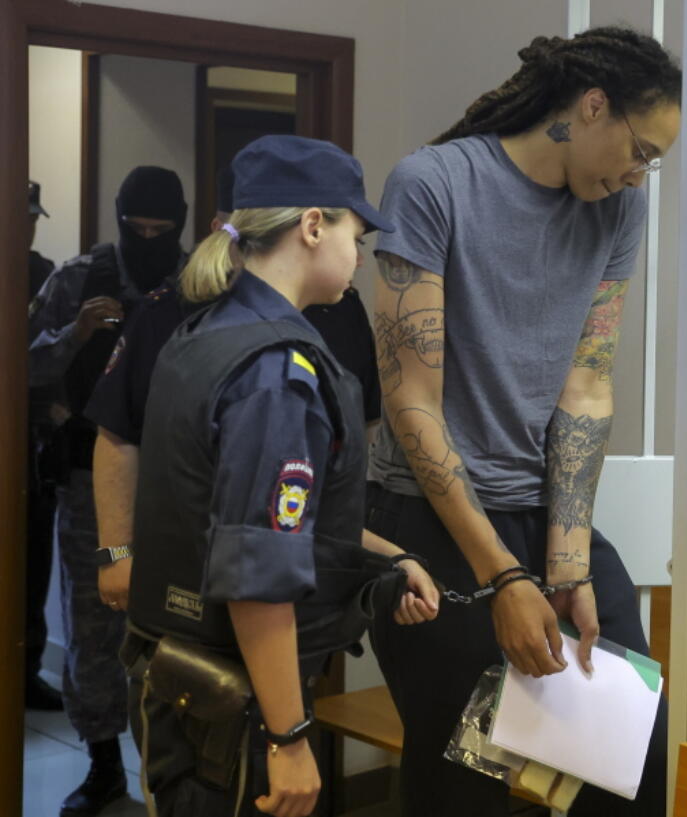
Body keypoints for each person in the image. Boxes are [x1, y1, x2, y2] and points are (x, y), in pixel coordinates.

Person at [366, 26, 681, 816]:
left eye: (654, 163)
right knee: (469, 774)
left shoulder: (619, 215)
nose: (640, 177)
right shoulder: (433, 182)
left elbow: (586, 383)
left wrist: (567, 562)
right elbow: (411, 399)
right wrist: (502, 573)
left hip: (540, 510)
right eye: (640, 150)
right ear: (592, 105)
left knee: (624, 747)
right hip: (428, 513)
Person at [122, 134, 439, 817]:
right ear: (313, 225)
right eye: (357, 231)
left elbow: (257, 513)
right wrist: (290, 735)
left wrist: (389, 556)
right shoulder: (276, 373)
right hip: (235, 702)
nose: (361, 253)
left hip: (178, 677)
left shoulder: (204, 332)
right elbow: (256, 570)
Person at [86, 166, 383, 615]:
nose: (358, 258)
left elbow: (354, 439)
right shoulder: (171, 314)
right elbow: (117, 432)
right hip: (197, 571)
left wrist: (375, 551)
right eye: (356, 240)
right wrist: (117, 551)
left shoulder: (341, 310)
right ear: (311, 228)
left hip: (304, 567)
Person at [28, 166, 190, 817]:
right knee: (95, 625)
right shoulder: (78, 277)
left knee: (173, 622)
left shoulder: (198, 279)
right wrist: (76, 336)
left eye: (161, 229)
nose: (148, 238)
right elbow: (25, 365)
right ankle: (101, 764)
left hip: (177, 480)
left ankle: (170, 758)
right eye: (136, 228)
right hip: (89, 481)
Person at [24, 180, 64, 711]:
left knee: (32, 563)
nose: (28, 224)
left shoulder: (42, 273)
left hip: (33, 446)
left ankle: (25, 668)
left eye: (33, 216)